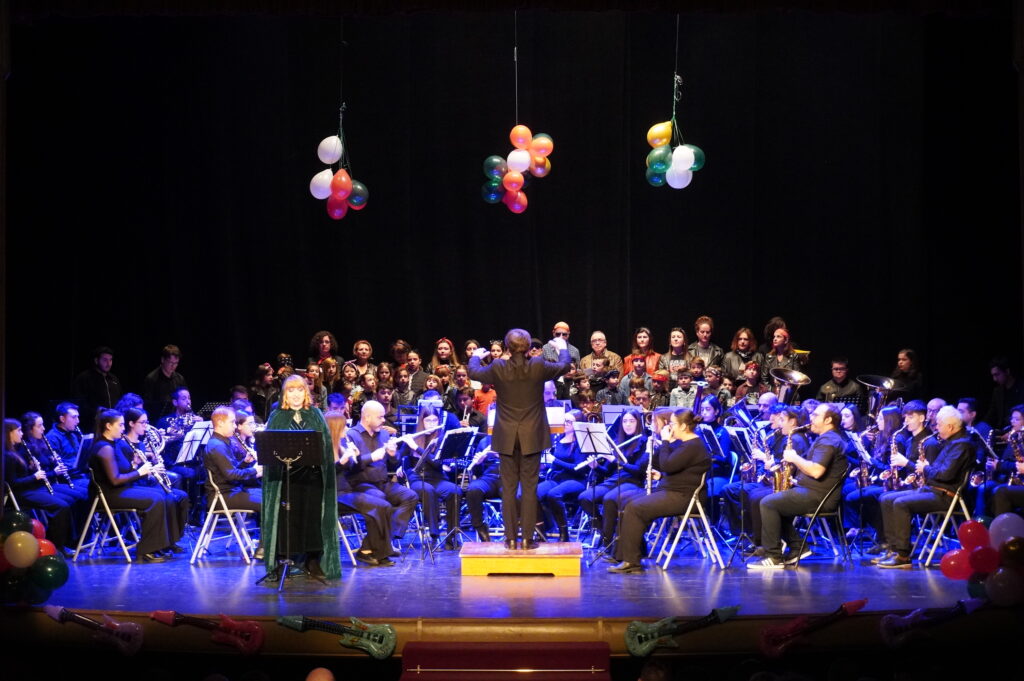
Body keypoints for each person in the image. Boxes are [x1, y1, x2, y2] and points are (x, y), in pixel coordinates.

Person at [468, 327, 571, 549]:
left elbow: (474, 372)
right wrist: (562, 348)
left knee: (508, 488)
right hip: (532, 435)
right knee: (529, 488)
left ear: (507, 347)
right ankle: (527, 539)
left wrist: (476, 356)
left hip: (506, 436)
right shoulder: (537, 365)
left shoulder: (498, 366)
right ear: (528, 348)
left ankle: (511, 539)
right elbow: (564, 366)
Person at [608, 408, 710, 573]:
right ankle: (625, 555)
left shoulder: (693, 446)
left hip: (686, 497)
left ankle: (632, 561)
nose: (669, 427)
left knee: (635, 508)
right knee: (627, 502)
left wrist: (665, 442)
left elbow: (667, 465)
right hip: (673, 491)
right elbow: (677, 471)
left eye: (673, 424)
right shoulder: (687, 444)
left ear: (683, 426)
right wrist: (661, 476)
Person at [747, 402, 848, 569]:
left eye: (815, 415)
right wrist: (796, 480)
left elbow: (816, 471)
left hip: (818, 497)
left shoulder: (829, 440)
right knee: (770, 501)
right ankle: (797, 547)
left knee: (768, 503)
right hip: (812, 491)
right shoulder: (827, 438)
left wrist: (794, 458)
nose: (811, 418)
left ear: (828, 420)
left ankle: (774, 556)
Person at [260, 374, 340, 580]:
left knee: (312, 519)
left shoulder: (315, 414)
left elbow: (325, 448)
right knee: (287, 519)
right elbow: (270, 450)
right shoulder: (277, 416)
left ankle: (312, 559)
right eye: (291, 390)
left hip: (312, 478)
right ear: (284, 394)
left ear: (306, 393)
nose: (295, 395)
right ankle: (283, 560)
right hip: (286, 480)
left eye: (300, 390)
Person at [875, 406, 976, 568]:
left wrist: (925, 468)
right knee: (886, 498)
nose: (936, 428)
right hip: (932, 489)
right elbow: (939, 470)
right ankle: (893, 549)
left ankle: (903, 556)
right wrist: (928, 467)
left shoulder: (962, 445)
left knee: (900, 503)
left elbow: (945, 475)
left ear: (950, 427)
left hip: (946, 495)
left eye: (939, 425)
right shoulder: (951, 442)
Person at [88, 409, 185, 562]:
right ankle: (146, 550)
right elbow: (115, 480)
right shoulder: (104, 447)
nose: (123, 428)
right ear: (108, 426)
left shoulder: (113, 444)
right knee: (155, 499)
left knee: (161, 494)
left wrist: (135, 464)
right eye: (120, 425)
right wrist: (140, 472)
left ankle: (160, 545)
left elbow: (123, 471)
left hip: (119, 490)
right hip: (107, 494)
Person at [340, 400, 419, 548]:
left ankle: (387, 538)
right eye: (380, 417)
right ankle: (381, 543)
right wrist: (371, 457)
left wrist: (393, 455)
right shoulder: (351, 435)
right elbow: (349, 467)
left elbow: (393, 465)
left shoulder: (383, 434)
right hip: (361, 485)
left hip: (383, 482)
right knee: (380, 498)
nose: (383, 420)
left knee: (410, 496)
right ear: (367, 417)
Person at [325, 410, 397, 567]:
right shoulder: (325, 449)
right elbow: (326, 474)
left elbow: (352, 468)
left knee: (383, 505)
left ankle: (371, 550)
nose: (346, 429)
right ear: (335, 429)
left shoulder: (341, 446)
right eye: (343, 427)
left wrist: (356, 457)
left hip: (347, 491)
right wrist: (341, 463)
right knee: (380, 506)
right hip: (335, 495)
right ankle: (380, 552)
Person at [577, 407, 648, 552]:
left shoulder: (644, 441)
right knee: (585, 497)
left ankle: (607, 543)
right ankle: (604, 532)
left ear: (638, 423)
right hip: (614, 481)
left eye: (632, 421)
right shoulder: (617, 442)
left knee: (609, 498)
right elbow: (608, 471)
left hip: (633, 482)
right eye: (625, 421)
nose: (628, 424)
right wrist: (596, 466)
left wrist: (615, 460)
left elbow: (639, 471)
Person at [4, 418, 76, 554]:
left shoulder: (15, 450)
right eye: (18, 431)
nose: (21, 434)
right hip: (21, 494)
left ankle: (64, 542)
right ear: (9, 433)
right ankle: (56, 545)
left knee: (67, 501)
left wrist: (32, 468)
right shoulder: (7, 455)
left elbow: (22, 474)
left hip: (31, 489)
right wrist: (34, 476)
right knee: (61, 506)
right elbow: (12, 483)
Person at [396, 407, 462, 549]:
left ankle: (452, 537)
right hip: (417, 477)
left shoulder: (442, 439)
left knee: (455, 491)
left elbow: (436, 463)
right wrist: (399, 465)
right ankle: (434, 535)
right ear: (422, 421)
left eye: (434, 420)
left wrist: (416, 448)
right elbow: (399, 457)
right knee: (428, 490)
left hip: (437, 476)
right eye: (428, 420)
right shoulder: (413, 437)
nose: (432, 424)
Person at [204, 406, 262, 513]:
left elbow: (230, 471)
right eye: (232, 422)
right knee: (267, 503)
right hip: (223, 496)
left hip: (231, 491)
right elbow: (231, 476)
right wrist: (255, 470)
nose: (235, 426)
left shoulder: (222, 442)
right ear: (220, 423)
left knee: (267, 495)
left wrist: (245, 462)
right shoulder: (217, 446)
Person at [72, 346, 122, 426]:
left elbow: (119, 399)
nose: (108, 363)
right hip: (93, 423)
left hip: (113, 422)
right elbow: (80, 402)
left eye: (110, 360)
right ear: (96, 360)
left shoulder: (113, 379)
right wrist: (95, 414)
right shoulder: (85, 378)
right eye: (105, 360)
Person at [142, 344, 187, 420]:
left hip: (178, 419)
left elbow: (185, 400)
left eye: (176, 363)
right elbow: (147, 405)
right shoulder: (151, 379)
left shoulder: (180, 379)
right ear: (163, 360)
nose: (173, 366)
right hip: (158, 421)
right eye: (171, 362)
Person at [984, 357, 1024, 429]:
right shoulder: (997, 391)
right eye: (993, 375)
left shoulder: (1021, 388)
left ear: (1007, 371)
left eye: (997, 374)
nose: (994, 379)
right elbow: (991, 414)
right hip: (1002, 430)